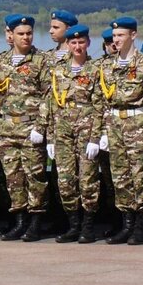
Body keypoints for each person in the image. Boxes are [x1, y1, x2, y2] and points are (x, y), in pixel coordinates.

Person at [0, 15, 52, 241]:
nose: (25, 37)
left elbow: (48, 97)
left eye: (29, 33)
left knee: (35, 177)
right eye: (21, 34)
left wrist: (40, 127)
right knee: (13, 177)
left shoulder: (41, 61)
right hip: (7, 129)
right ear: (11, 35)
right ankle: (19, 221)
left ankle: (35, 222)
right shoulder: (2, 61)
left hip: (30, 128)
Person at [96, 17, 143, 244]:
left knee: (140, 175)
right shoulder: (107, 65)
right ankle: (126, 223)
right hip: (114, 124)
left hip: (137, 122)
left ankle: (140, 224)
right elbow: (102, 100)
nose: (116, 40)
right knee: (120, 177)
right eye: (114, 36)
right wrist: (102, 130)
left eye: (121, 35)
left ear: (133, 35)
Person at [47, 24, 103, 243]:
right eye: (73, 43)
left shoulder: (95, 69)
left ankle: (88, 226)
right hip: (63, 130)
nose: (77, 46)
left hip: (87, 129)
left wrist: (96, 137)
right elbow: (52, 103)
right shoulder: (59, 69)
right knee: (66, 180)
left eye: (81, 42)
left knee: (88, 179)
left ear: (88, 43)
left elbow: (100, 105)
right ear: (68, 44)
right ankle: (73, 225)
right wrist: (51, 136)